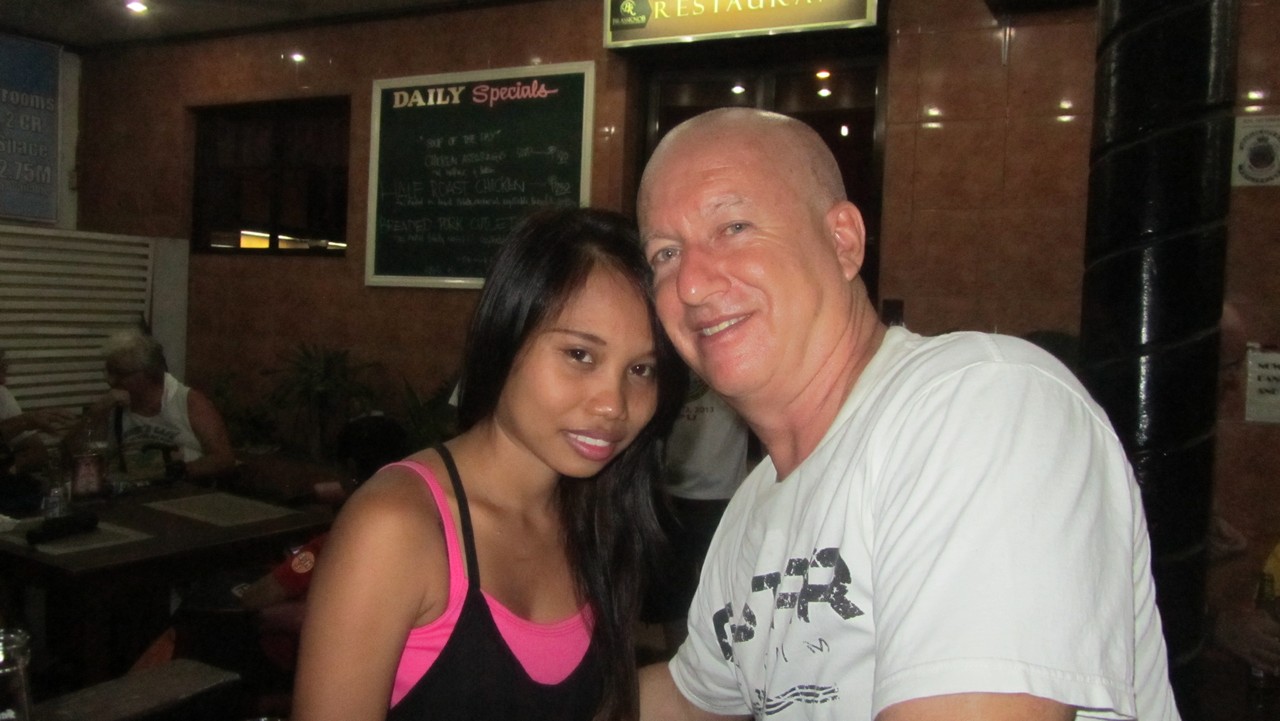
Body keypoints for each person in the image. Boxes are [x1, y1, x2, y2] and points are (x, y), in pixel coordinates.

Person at [635, 108, 1180, 720]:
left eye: (734, 227)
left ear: (843, 241)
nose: (691, 285)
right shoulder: (753, 509)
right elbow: (686, 703)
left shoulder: (980, 405)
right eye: (665, 254)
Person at [292, 207, 687, 721]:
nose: (614, 404)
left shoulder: (599, 517)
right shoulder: (396, 528)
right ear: (506, 336)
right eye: (579, 355)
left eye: (641, 369)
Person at [645, 370, 752, 654]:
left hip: (723, 494)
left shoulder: (734, 360)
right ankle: (678, 661)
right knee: (672, 594)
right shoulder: (671, 357)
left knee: (727, 594)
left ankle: (726, 662)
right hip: (667, 492)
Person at [76, 328, 236, 483]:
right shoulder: (113, 407)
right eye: (108, 372)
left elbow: (224, 459)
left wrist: (172, 472)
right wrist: (97, 410)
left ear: (146, 374)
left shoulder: (188, 402)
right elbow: (74, 455)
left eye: (120, 373)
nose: (110, 380)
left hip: (185, 490)